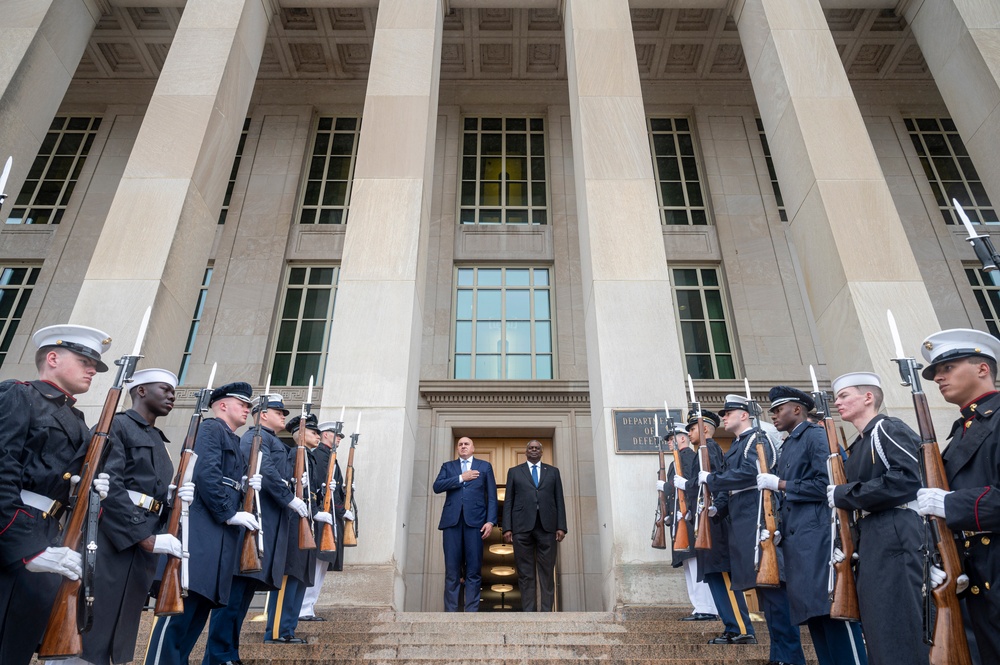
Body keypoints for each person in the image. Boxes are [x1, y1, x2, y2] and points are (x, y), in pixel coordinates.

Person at [59, 369, 191, 665]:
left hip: (140, 543)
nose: (172, 396)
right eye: (165, 389)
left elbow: (151, 495)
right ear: (141, 391)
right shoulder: (115, 426)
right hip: (111, 538)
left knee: (120, 626)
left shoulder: (158, 440)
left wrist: (173, 502)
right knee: (92, 621)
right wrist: (143, 536)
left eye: (173, 391)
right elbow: (109, 485)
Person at [0, 325, 112, 665]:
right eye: (84, 361)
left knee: (16, 648)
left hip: (49, 537)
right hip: (15, 538)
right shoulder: (19, 395)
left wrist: (93, 495)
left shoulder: (77, 419)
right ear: (52, 358)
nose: (92, 370)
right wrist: (27, 549)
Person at [143, 382, 261, 665]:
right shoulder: (210, 429)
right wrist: (228, 513)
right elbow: (207, 475)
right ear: (222, 405)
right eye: (242, 404)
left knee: (195, 618)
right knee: (179, 618)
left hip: (217, 540)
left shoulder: (232, 438)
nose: (247, 409)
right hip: (201, 533)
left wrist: (246, 487)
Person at [759, 386, 867, 665]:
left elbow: (829, 484)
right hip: (799, 541)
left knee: (834, 613)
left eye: (778, 409)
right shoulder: (789, 444)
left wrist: (781, 484)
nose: (773, 415)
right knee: (816, 618)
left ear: (797, 409)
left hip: (820, 537)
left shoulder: (816, 436)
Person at [828, 372, 927, 665]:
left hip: (896, 528)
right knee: (879, 623)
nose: (838, 402)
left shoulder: (887, 428)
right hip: (874, 532)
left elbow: (908, 479)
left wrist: (844, 494)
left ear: (868, 397)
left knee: (899, 621)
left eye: (844, 395)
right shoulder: (861, 443)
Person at [700, 394, 805, 665]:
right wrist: (718, 508)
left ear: (744, 414)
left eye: (728, 412)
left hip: (758, 518)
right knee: (767, 597)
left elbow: (751, 472)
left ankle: (790, 657)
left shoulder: (756, 440)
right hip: (743, 517)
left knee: (775, 595)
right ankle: (778, 655)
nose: (723, 417)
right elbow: (735, 483)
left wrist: (712, 479)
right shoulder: (739, 443)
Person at [916, 328, 1000, 663]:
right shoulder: (962, 431)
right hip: (975, 581)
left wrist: (950, 504)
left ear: (983, 369)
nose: (938, 376)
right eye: (937, 371)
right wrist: (944, 562)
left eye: (948, 367)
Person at [202, 393, 290, 665]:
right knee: (231, 601)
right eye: (279, 412)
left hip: (264, 529)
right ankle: (217, 655)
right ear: (263, 415)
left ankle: (231, 652)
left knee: (240, 602)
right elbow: (268, 473)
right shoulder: (254, 437)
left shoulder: (269, 439)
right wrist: (289, 496)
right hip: (249, 527)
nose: (283, 416)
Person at [682, 409, 755, 643]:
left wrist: (687, 484)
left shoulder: (708, 449)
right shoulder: (700, 452)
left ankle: (742, 629)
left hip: (714, 523)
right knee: (714, 576)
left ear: (704, 430)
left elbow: (714, 484)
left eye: (692, 428)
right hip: (707, 521)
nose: (689, 433)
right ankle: (732, 627)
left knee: (722, 575)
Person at [263, 413, 333, 644]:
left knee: (301, 578)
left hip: (307, 522)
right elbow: (288, 486)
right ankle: (276, 630)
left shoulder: (310, 458)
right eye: (313, 432)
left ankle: (288, 628)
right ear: (300, 434)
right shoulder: (295, 453)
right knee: (288, 577)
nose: (317, 436)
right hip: (294, 524)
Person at [433, 436, 497, 612]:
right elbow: (437, 486)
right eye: (460, 444)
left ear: (473, 448)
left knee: (474, 569)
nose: (463, 446)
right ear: (457, 449)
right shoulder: (448, 466)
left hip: (475, 523)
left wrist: (490, 521)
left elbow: (491, 496)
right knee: (452, 569)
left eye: (466, 444)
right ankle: (451, 612)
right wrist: (462, 477)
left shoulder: (485, 467)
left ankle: (471, 612)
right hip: (451, 522)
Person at [502, 439, 566, 612]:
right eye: (531, 448)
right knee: (525, 572)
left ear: (542, 452)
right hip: (521, 528)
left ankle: (546, 611)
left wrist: (561, 526)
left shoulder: (553, 472)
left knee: (546, 572)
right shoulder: (514, 472)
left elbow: (559, 499)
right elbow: (508, 501)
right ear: (526, 452)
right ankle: (529, 611)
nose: (534, 450)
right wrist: (507, 528)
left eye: (537, 448)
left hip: (548, 527)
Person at [662, 426, 717, 621]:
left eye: (671, 438)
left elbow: (689, 486)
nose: (669, 442)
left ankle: (707, 607)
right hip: (681, 518)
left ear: (682, 439)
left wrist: (667, 487)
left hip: (688, 517)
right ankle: (699, 605)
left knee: (695, 563)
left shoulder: (686, 457)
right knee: (688, 564)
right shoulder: (677, 459)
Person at [300, 424, 351, 621]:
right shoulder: (320, 456)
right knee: (315, 563)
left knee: (321, 564)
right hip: (321, 515)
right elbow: (319, 485)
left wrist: (344, 505)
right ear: (326, 435)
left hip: (329, 516)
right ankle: (303, 606)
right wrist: (336, 509)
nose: (339, 439)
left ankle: (308, 606)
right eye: (337, 436)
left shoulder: (330, 456)